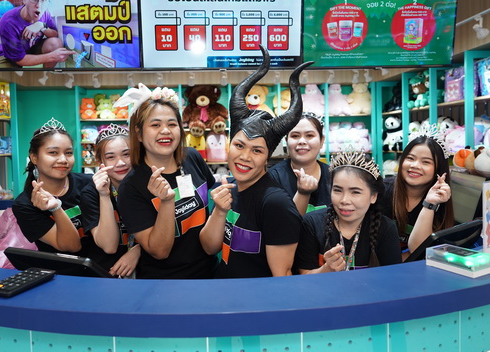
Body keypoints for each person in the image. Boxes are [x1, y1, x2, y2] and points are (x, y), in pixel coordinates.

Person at [200, 45, 312, 278]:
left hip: (255, 299)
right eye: (239, 145)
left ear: (267, 157)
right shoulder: (230, 187)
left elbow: (282, 276)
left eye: (257, 150)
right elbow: (209, 248)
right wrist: (219, 211)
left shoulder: (275, 204)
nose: (245, 157)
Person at [115, 84, 217, 279]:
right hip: (166, 282)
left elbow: (211, 209)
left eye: (172, 124)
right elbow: (159, 251)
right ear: (139, 134)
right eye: (155, 125)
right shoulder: (131, 187)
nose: (165, 131)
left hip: (209, 273)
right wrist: (167, 202)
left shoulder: (192, 157)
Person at [13, 118, 107, 264]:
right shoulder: (25, 204)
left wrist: (135, 250)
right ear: (34, 157)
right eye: (53, 152)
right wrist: (56, 208)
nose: (63, 159)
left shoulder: (91, 183)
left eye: (68, 153)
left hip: (107, 267)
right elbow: (72, 246)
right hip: (64, 272)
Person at [295, 151, 401, 273]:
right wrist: (327, 269)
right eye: (337, 190)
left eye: (355, 192)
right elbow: (305, 276)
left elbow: (392, 277)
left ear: (373, 196)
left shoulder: (386, 228)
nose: (344, 200)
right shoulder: (311, 224)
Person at [382, 126, 454, 257]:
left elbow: (418, 249)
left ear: (438, 169)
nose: (415, 165)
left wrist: (429, 204)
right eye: (410, 158)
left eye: (426, 162)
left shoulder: (440, 198)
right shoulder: (383, 190)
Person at [80, 124, 140, 278]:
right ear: (99, 160)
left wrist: (138, 250)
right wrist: (104, 195)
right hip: (106, 273)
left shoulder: (147, 185)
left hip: (147, 269)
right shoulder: (91, 193)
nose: (120, 163)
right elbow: (109, 246)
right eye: (111, 157)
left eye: (126, 154)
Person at [0, 0, 73, 69]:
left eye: (44, 0)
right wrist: (52, 56)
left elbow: (55, 34)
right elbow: (19, 59)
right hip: (9, 56)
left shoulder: (45, 14)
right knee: (1, 72)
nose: (39, 5)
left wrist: (42, 26)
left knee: (55, 42)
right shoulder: (8, 21)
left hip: (32, 47)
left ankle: (47, 75)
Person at [268, 112, 331, 215]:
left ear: (321, 141)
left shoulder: (333, 176)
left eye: (309, 135)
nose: (302, 141)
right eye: (295, 136)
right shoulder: (273, 178)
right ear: (286, 141)